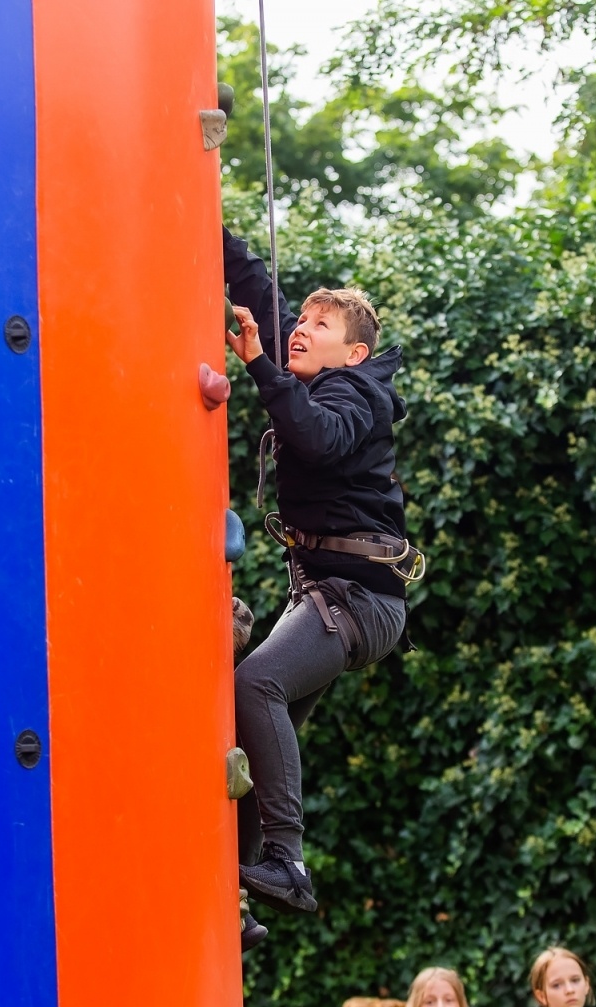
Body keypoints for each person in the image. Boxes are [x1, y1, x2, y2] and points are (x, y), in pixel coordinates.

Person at [221, 227, 419, 932]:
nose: (299, 331)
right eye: (301, 323)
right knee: (258, 724)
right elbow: (258, 288)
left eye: (319, 325)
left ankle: (289, 866)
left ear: (355, 352)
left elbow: (317, 436)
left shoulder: (356, 395)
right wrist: (206, 226)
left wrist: (260, 369)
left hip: (359, 599)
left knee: (253, 685)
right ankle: (241, 895)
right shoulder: (312, 366)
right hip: (333, 593)